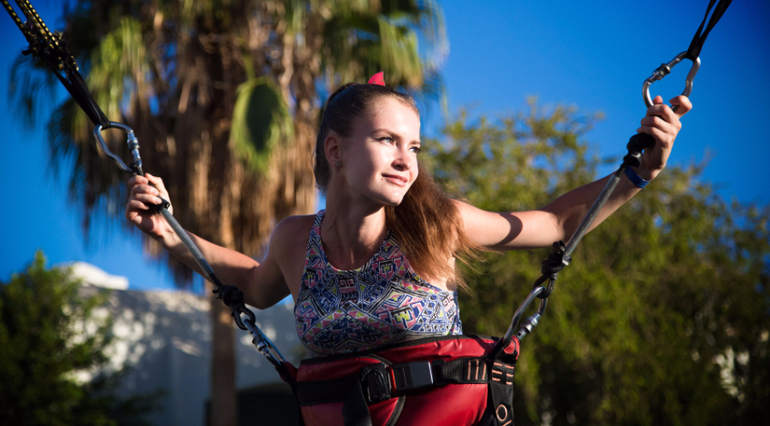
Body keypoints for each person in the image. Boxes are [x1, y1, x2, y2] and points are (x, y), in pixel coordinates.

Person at [126, 77, 692, 358]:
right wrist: (169, 229)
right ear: (334, 150)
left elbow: (555, 223)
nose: (406, 160)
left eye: (414, 147)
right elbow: (252, 285)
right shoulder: (296, 241)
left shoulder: (438, 224)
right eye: (387, 140)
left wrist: (640, 171)